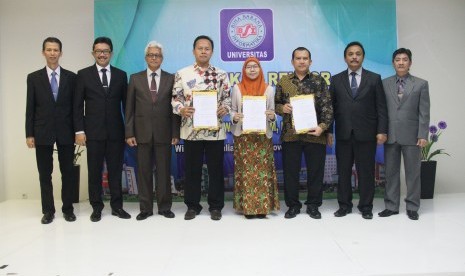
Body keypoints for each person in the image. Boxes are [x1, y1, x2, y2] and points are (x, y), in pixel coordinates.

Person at [172, 35, 231, 221]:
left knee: (216, 170)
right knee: (192, 170)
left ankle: (215, 206)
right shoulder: (182, 73)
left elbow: (228, 99)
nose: (203, 51)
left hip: (215, 131)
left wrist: (226, 108)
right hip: (191, 131)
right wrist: (181, 109)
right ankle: (192, 205)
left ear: (212, 51)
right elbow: (175, 99)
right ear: (193, 51)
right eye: (200, 48)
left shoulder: (221, 74)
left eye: (207, 48)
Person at [328, 41, 388, 219]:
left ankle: (366, 206)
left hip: (367, 134)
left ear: (363, 56)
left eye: (358, 53)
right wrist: (329, 131)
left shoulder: (374, 78)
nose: (354, 57)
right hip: (344, 134)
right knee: (344, 172)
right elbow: (331, 108)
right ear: (345, 57)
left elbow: (381, 108)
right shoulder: (336, 79)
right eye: (350, 54)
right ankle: (344, 205)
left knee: (366, 172)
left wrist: (382, 130)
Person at [74, 37, 130, 222]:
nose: (102, 54)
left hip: (116, 133)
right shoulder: (83, 75)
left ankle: (117, 207)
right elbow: (77, 106)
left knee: (115, 171)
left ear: (111, 54)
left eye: (105, 51)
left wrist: (129, 131)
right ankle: (96, 207)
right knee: (94, 172)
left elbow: (127, 107)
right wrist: (79, 131)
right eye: (98, 51)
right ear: (93, 53)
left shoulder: (121, 75)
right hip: (93, 133)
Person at [275, 47, 333, 219]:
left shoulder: (319, 81)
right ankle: (293, 206)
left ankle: (313, 205)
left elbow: (327, 107)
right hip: (290, 135)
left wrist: (322, 127)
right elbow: (275, 105)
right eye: (298, 58)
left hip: (315, 134)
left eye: (305, 58)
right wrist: (281, 108)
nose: (301, 61)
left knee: (316, 172)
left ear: (310, 61)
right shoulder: (283, 81)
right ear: (292, 61)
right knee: (290, 172)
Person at [125, 41, 181, 220]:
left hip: (165, 133)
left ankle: (165, 207)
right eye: (151, 55)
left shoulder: (171, 78)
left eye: (157, 55)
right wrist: (129, 133)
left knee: (164, 172)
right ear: (146, 58)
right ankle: (146, 208)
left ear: (162, 58)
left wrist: (175, 133)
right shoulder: (135, 78)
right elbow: (129, 109)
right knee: (143, 172)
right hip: (141, 134)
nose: (154, 58)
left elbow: (175, 109)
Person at [26, 37, 77, 224]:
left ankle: (68, 209)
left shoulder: (72, 77)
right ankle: (48, 211)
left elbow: (76, 108)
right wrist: (29, 134)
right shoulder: (33, 78)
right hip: (42, 133)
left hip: (66, 131)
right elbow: (30, 108)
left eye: (56, 50)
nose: (52, 53)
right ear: (43, 52)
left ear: (61, 53)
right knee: (44, 174)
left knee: (68, 172)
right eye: (49, 50)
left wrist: (78, 131)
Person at [379, 48, 430, 220]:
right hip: (390, 135)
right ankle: (391, 206)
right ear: (393, 63)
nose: (401, 62)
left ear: (410, 63)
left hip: (412, 136)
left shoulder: (421, 84)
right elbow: (381, 111)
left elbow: (424, 112)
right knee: (391, 173)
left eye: (405, 59)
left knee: (413, 174)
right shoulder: (384, 83)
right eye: (397, 59)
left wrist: (423, 134)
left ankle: (412, 207)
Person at [230, 57, 280, 219]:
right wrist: (234, 116)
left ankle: (262, 208)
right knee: (246, 173)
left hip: (262, 137)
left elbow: (272, 112)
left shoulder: (268, 89)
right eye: (248, 67)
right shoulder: (237, 88)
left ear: (260, 69)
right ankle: (247, 208)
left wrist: (272, 116)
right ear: (244, 70)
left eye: (255, 66)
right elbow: (232, 110)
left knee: (262, 173)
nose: (252, 69)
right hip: (243, 137)